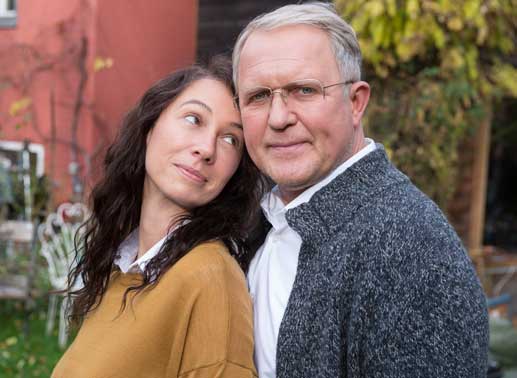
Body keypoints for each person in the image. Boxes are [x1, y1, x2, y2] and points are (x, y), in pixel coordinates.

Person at [232, 3, 489, 378]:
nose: (278, 118)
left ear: (356, 102)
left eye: (304, 90)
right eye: (258, 97)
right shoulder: (260, 223)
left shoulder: (411, 248)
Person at [52, 58, 264, 378]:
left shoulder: (211, 279)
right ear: (150, 128)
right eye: (194, 119)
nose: (206, 149)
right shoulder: (122, 266)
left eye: (231, 139)